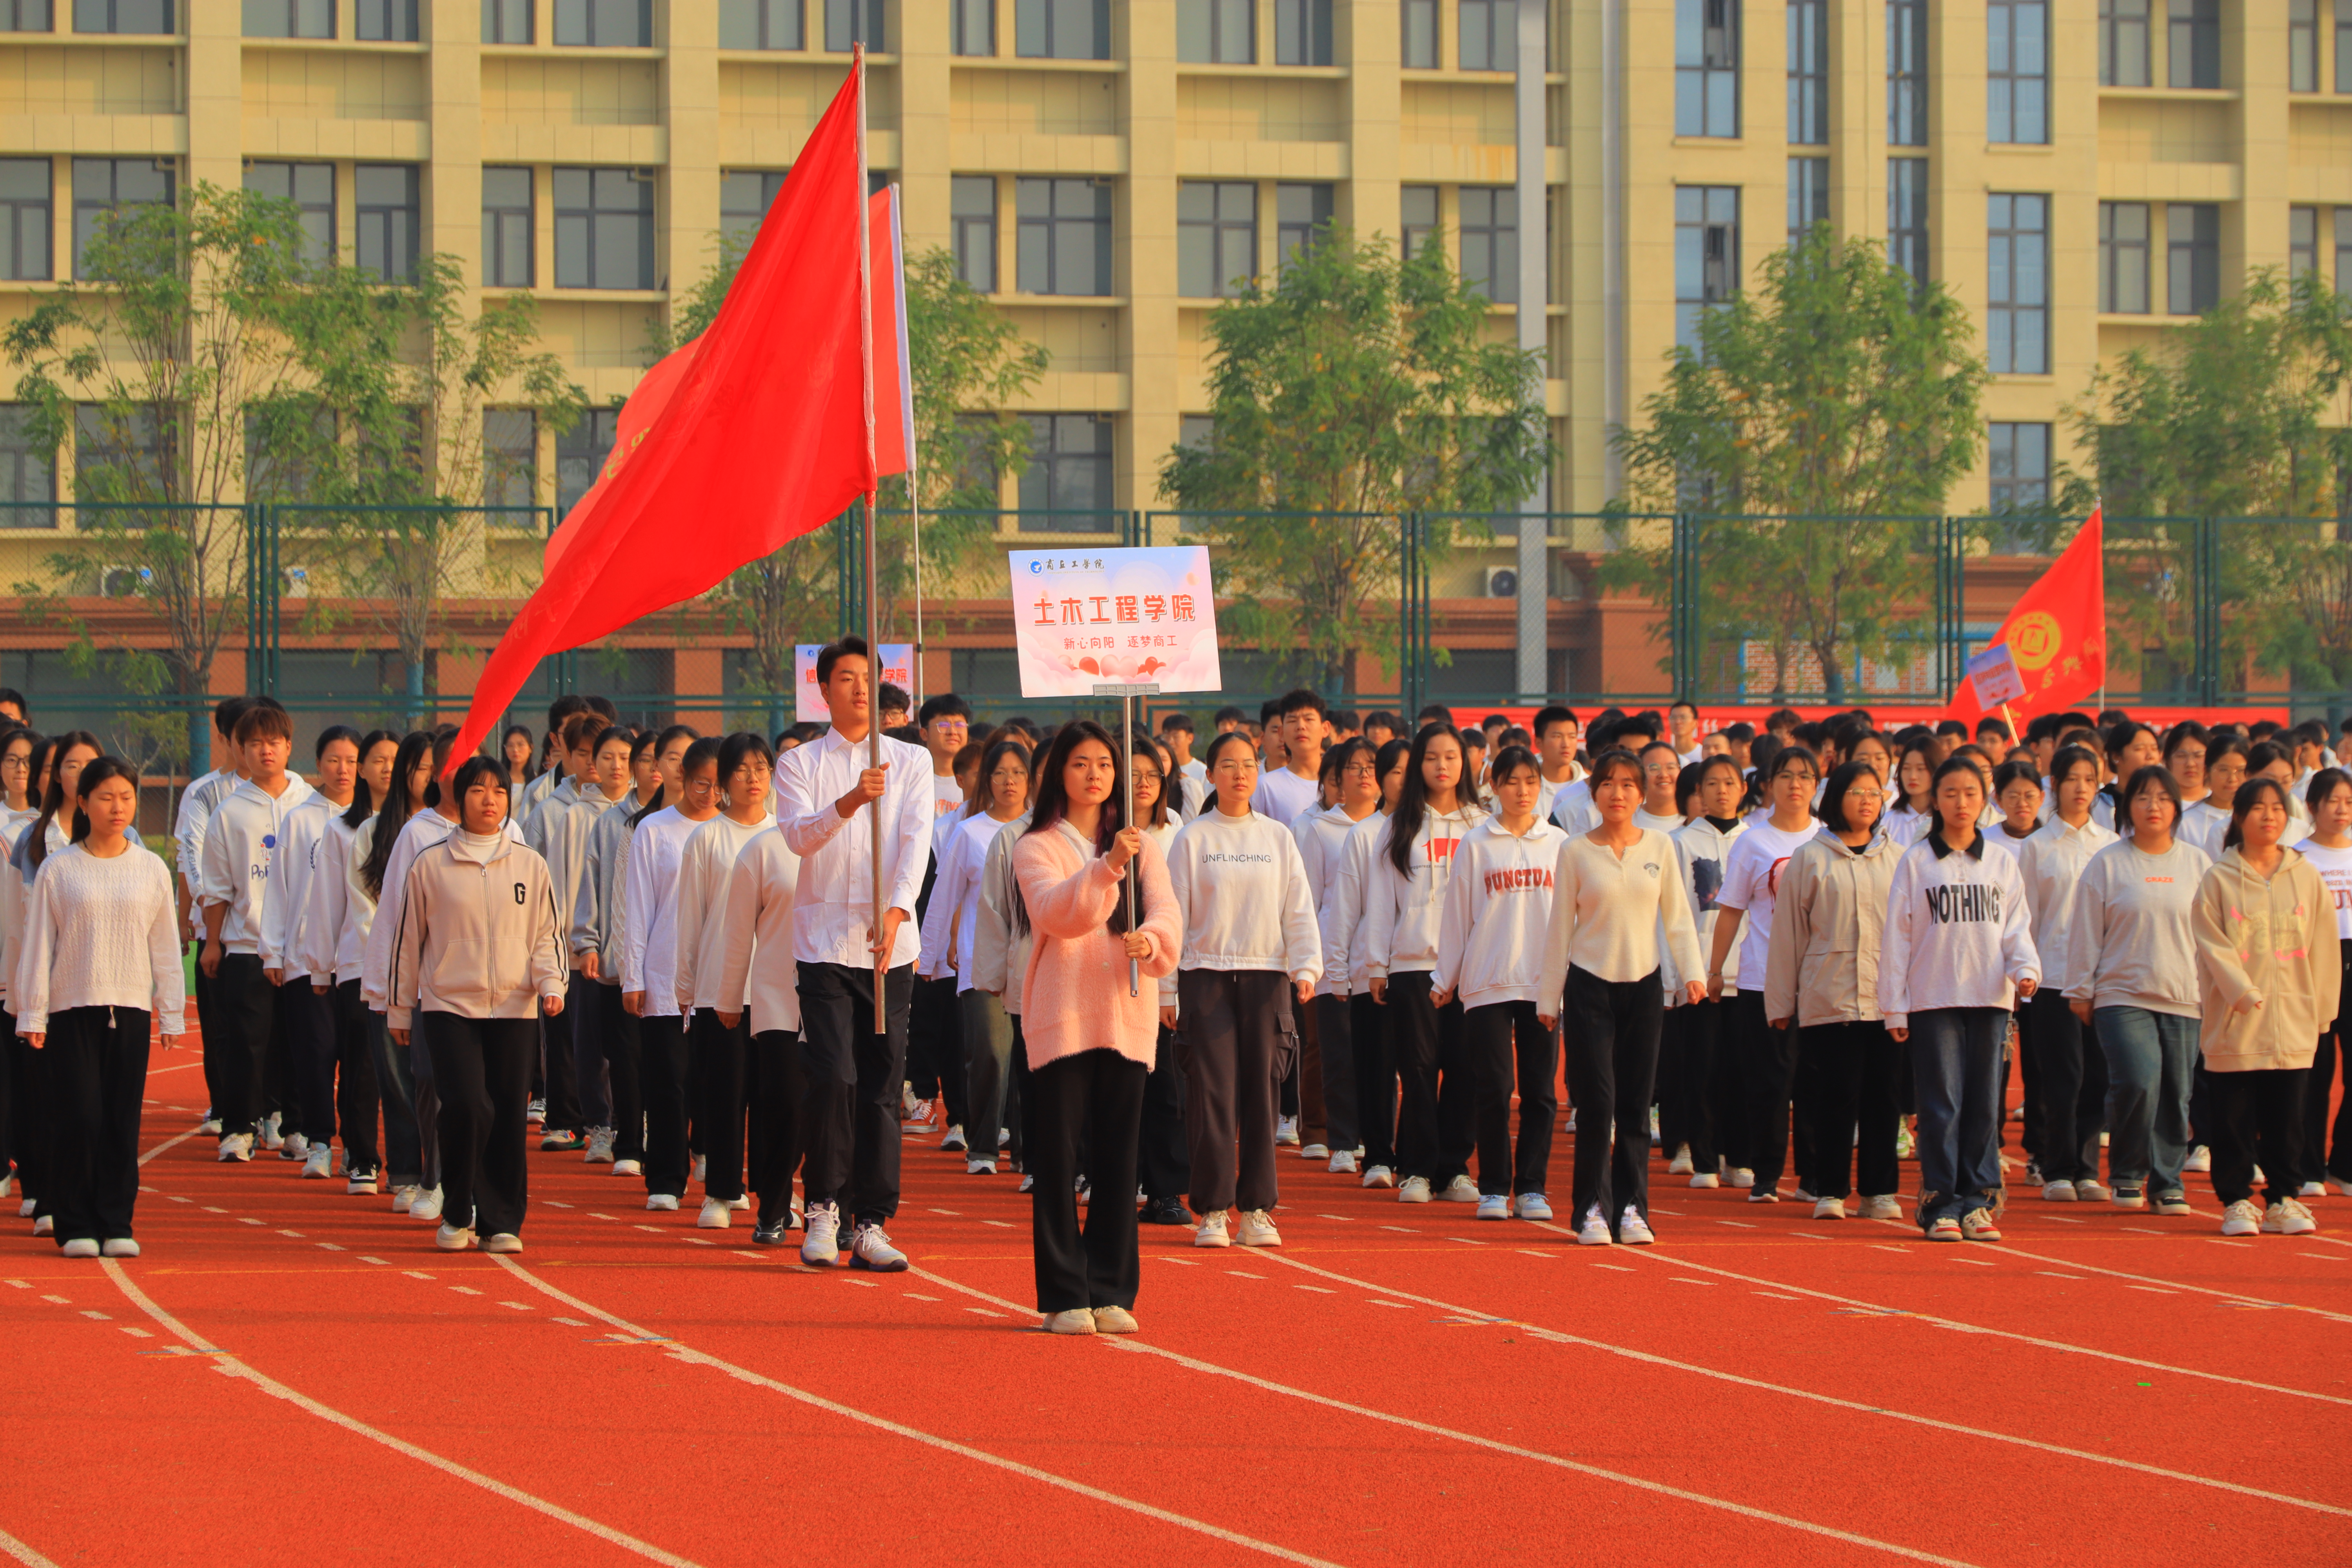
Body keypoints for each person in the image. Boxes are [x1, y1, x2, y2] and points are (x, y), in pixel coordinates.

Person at [1010, 721, 1182, 1333]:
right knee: (1057, 1159)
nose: (1096, 775)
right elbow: (1061, 916)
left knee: (1118, 1158)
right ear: (1060, 771)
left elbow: (1167, 912)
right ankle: (1063, 1293)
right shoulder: (1036, 846)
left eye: (1105, 765)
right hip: (1063, 1015)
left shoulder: (1144, 845)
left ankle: (1111, 1289)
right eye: (1081, 763)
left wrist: (1153, 941)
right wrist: (1108, 867)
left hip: (1126, 1012)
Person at [774, 635, 932, 1271]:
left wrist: (897, 911)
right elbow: (798, 839)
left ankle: (871, 1220)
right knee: (833, 1075)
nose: (861, 688)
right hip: (823, 944)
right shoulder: (800, 764)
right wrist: (852, 801)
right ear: (824, 688)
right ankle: (823, 1207)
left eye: (869, 677)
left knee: (880, 1084)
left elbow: (918, 841)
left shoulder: (909, 762)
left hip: (889, 946)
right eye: (845, 678)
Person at [386, 757, 567, 1253]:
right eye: (478, 790)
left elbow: (547, 936)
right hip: (448, 1004)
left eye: (499, 792)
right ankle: (457, 1204)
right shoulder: (430, 863)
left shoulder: (530, 864)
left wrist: (552, 984)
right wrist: (400, 1009)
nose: (490, 800)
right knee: (467, 1104)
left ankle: (501, 1221)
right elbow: (407, 943)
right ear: (458, 797)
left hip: (515, 1006)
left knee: (508, 1111)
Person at [13, 757, 182, 1258]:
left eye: (126, 797)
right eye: (106, 797)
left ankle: (116, 1221)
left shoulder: (150, 867)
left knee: (120, 1118)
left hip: (129, 1007)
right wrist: (33, 1014)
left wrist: (171, 1011)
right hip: (71, 1009)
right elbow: (39, 945)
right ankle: (74, 1222)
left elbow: (166, 946)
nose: (117, 806)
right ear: (82, 802)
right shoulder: (59, 868)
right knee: (79, 1115)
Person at [1537, 748, 1706, 1245]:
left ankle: (1633, 1208)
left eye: (1629, 784)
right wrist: (1549, 999)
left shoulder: (1659, 847)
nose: (1619, 793)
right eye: (1608, 784)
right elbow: (1559, 929)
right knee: (1598, 1101)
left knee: (1635, 1103)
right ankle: (1591, 1207)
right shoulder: (1575, 851)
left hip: (1645, 984)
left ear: (1643, 792)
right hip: (1589, 985)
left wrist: (1691, 974)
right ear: (1595, 793)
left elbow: (1677, 917)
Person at [1165, 730, 1321, 1247]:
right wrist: (1168, 989)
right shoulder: (1194, 838)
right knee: (1210, 1098)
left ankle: (1256, 1210)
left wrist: (1306, 967)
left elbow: (1297, 906)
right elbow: (1172, 916)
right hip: (1204, 976)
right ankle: (1212, 1210)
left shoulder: (1277, 837)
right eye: (1227, 765)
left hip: (1267, 976)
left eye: (1248, 765)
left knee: (1262, 1094)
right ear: (1208, 774)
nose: (1239, 774)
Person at [363, 726, 522, 1227]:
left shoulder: (511, 833)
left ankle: (479, 1191)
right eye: (447, 766)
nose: (460, 774)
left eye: (471, 763)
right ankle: (436, 1180)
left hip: (502, 996)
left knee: (489, 1097)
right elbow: (395, 916)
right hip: (440, 991)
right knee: (436, 1084)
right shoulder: (419, 832)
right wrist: (388, 994)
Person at [1880, 756, 2040, 1243]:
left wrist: (2026, 971)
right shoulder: (1917, 861)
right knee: (1941, 1103)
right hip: (1934, 999)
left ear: (1985, 797)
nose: (1961, 802)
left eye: (1971, 793)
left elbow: (2016, 927)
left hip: (1991, 999)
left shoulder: (2000, 861)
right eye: (1950, 792)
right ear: (1935, 799)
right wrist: (1895, 1005)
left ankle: (1980, 1201)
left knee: (1983, 1105)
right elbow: (1897, 939)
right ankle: (1942, 1203)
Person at [2194, 777, 2338, 1236]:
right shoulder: (2219, 877)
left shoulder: (2305, 875)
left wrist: (2321, 1011)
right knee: (2233, 1117)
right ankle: (2236, 1199)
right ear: (2239, 816)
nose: (2269, 816)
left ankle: (2283, 1198)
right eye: (2257, 808)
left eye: (2277, 808)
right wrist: (2242, 991)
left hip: (2293, 1017)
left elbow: (2323, 946)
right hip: (2236, 1019)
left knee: (2288, 1115)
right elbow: (2211, 944)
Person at [1764, 759, 1903, 1221]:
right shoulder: (1811, 856)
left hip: (1887, 997)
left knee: (1884, 1096)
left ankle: (1880, 1191)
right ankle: (1829, 1187)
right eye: (1857, 792)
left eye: (1875, 792)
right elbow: (1789, 934)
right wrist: (1782, 1001)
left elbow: (1911, 931)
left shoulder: (1899, 857)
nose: (1867, 800)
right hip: (1830, 995)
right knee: (1836, 1094)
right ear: (1836, 798)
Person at [1432, 745, 1565, 1221]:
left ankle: (1532, 1187)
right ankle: (1493, 1186)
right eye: (1512, 781)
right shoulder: (1477, 843)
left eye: (1531, 781)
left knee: (1540, 1091)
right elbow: (1458, 915)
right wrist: (1444, 976)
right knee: (1492, 1085)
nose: (1523, 791)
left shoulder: (1559, 844)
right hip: (1488, 979)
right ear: (1495, 785)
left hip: (1543, 982)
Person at [2067, 765, 2207, 1216]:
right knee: (2138, 1080)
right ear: (2127, 808)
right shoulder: (2108, 863)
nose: (2153, 807)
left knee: (2176, 1090)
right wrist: (2081, 989)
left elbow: (2213, 933)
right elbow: (2087, 931)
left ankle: (2168, 1182)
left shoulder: (2197, 864)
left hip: (2184, 993)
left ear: (2176, 807)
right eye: (2143, 798)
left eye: (2163, 798)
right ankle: (2128, 1171)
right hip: (2121, 993)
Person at [1360, 723, 1487, 1204]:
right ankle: (1416, 1169)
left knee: (1464, 1066)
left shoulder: (1481, 824)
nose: (1442, 766)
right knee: (1417, 1068)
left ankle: (1455, 1168)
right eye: (1432, 757)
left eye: (1451, 757)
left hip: (1471, 966)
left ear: (1465, 764)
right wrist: (1377, 964)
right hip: (1414, 962)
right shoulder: (1399, 825)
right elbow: (1382, 902)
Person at [198, 703, 317, 1163]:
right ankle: (239, 1127)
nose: (265, 751)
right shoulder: (229, 811)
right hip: (246, 944)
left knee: (299, 1040)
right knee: (247, 1041)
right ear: (241, 750)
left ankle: (296, 1126)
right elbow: (218, 885)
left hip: (303, 948)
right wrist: (213, 942)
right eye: (255, 744)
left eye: (274, 742)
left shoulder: (311, 803)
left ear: (289, 746)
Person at [1703, 744, 1821, 1198]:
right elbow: (1731, 910)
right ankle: (1765, 1173)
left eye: (1805, 776)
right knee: (1769, 1081)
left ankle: (1813, 1177)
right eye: (1787, 776)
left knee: (1814, 1081)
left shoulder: (1827, 838)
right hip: (1760, 978)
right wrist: (1716, 969)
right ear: (1768, 784)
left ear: (1816, 785)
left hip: (1817, 981)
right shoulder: (1753, 841)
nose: (1796, 785)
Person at [670, 733, 777, 1229]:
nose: (753, 778)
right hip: (720, 987)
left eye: (761, 768)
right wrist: (687, 989)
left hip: (776, 988)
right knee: (724, 1091)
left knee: (775, 1097)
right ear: (724, 781)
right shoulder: (707, 838)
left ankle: (772, 1193)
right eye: (742, 770)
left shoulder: (787, 837)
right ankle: (721, 1191)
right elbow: (691, 917)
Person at [265, 726, 372, 1184]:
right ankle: (319, 1141)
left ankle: (356, 1146)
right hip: (307, 960)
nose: (342, 769)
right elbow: (280, 888)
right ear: (318, 764)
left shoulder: (376, 822)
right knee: (315, 1052)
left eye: (351, 761)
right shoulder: (301, 819)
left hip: (354, 959)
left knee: (356, 1055)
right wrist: (275, 950)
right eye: (333, 760)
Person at [577, 726, 684, 1180]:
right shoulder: (620, 825)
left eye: (687, 759)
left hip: (687, 964)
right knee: (625, 1053)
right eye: (663, 759)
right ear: (652, 766)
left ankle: (687, 1145)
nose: (674, 769)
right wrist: (592, 943)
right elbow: (608, 892)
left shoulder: (708, 824)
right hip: (624, 958)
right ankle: (627, 1139)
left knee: (676, 1061)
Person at [919, 739, 1030, 1173]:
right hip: (978, 959)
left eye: (1018, 773)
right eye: (1000, 773)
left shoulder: (1041, 830)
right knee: (990, 1052)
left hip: (1030, 963)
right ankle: (982, 1146)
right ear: (987, 780)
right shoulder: (968, 832)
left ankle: (1027, 1152)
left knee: (1027, 1057)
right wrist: (928, 960)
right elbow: (943, 898)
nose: (1009, 782)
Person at [622, 735, 721, 1214]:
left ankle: (716, 1165)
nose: (712, 794)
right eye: (703, 783)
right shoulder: (655, 830)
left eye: (720, 785)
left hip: (723, 974)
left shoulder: (741, 831)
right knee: (668, 1081)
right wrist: (633, 976)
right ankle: (665, 1175)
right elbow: (638, 907)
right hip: (664, 973)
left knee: (717, 1081)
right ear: (683, 778)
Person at [2016, 744, 2118, 1203]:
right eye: (2072, 779)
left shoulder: (2112, 846)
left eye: (2090, 780)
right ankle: (2058, 1166)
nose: (2081, 788)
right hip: (2053, 976)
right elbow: (2026, 918)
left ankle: (2087, 1166)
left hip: (2103, 978)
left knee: (2099, 1076)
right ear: (2053, 785)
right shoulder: (2036, 847)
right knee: (2062, 1077)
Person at [714, 796, 808, 1247]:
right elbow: (737, 931)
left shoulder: (857, 846)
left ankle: (834, 1208)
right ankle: (773, 1206)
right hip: (775, 997)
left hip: (839, 1000)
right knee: (783, 1103)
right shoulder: (764, 849)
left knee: (832, 1107)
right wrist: (730, 995)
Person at [1293, 737, 1381, 1177]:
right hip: (1333, 955)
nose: (1365, 774)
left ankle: (1375, 1135)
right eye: (1355, 768)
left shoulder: (1395, 827)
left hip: (1382, 957)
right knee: (1337, 1051)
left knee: (1378, 1053)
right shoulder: (1320, 830)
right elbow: (1307, 897)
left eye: (1372, 766)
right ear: (1337, 781)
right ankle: (1342, 1139)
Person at [1661, 754, 1746, 1189]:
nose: (1721, 790)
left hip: (1749, 974)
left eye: (1730, 782)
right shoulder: (1679, 843)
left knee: (1742, 1070)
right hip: (1698, 973)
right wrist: (1676, 978)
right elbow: (1671, 916)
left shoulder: (1757, 841)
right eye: (1711, 783)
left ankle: (1739, 1155)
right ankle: (1705, 1158)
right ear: (1700, 793)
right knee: (1702, 1067)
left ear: (1743, 789)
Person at [2294, 768, 2352, 1199]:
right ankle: (2308, 1164)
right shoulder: (2297, 857)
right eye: (2333, 800)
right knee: (2314, 1073)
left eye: (2349, 802)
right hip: (2314, 965)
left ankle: (2344, 1164)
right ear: (2312, 806)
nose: (2342, 809)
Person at [1251, 689, 1328, 826]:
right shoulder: (1266, 786)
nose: (1301, 726)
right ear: (1281, 733)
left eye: (1309, 719)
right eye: (1292, 721)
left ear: (1325, 729)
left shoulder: (1342, 781)